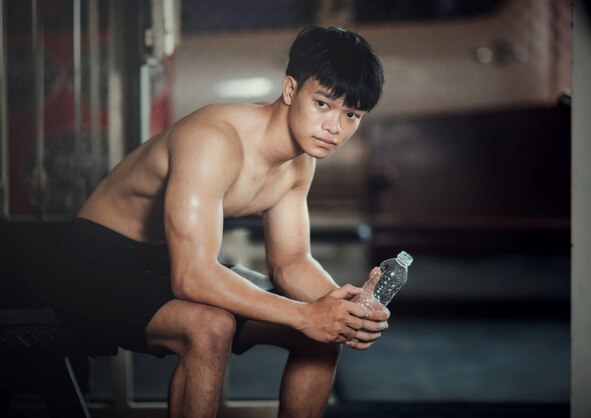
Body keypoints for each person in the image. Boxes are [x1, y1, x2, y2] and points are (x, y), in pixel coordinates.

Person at [49, 26, 389, 418]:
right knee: (211, 327)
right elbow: (191, 275)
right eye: (324, 104)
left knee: (321, 336)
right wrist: (305, 315)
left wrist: (339, 307)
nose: (335, 127)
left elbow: (291, 260)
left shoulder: (300, 162)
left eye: (352, 114)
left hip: (160, 262)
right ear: (291, 90)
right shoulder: (214, 139)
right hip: (90, 263)